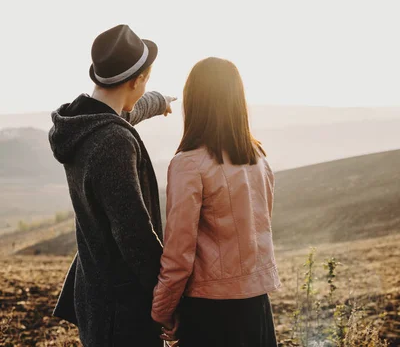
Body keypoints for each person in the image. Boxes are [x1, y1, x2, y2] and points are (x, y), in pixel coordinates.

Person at [49, 24, 176, 347]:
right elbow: (133, 235)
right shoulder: (113, 142)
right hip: (124, 311)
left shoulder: (82, 127)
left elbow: (122, 115)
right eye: (147, 80)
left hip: (97, 297)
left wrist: (157, 101)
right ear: (138, 80)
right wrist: (168, 297)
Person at [151, 57, 280, 347]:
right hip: (257, 308)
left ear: (194, 102)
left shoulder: (188, 164)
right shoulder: (258, 159)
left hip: (211, 314)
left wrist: (163, 310)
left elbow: (179, 253)